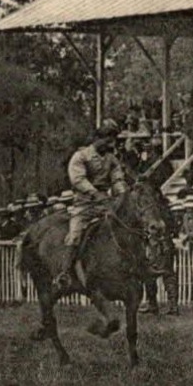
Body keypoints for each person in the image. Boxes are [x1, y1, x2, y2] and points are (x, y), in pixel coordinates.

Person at [62, 122, 131, 287]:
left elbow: (117, 178)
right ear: (97, 138)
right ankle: (65, 272)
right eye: (108, 140)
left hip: (106, 205)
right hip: (85, 205)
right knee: (75, 235)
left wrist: (122, 193)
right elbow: (78, 179)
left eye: (113, 140)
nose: (111, 144)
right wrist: (95, 193)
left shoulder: (111, 159)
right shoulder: (80, 157)